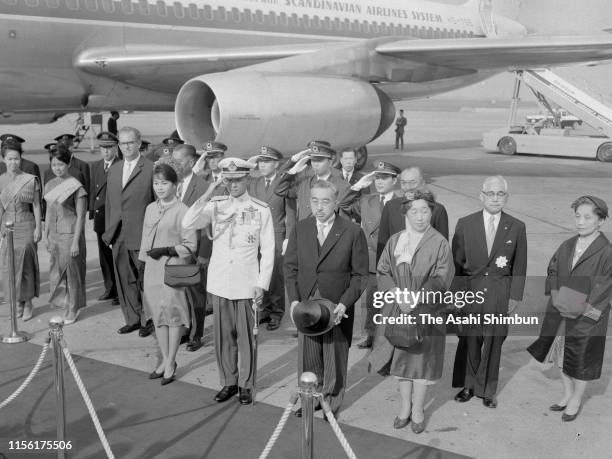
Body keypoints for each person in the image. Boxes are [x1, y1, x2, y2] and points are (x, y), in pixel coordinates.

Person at [182, 157, 275, 405]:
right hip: (221, 282)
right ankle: (228, 382)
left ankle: (246, 384)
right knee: (224, 339)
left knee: (247, 338)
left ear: (246, 179)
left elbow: (268, 250)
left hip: (246, 283)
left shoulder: (260, 209)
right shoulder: (216, 205)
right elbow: (187, 222)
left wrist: (261, 284)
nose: (233, 185)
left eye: (237, 180)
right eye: (229, 180)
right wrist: (209, 191)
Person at [370, 189, 454, 433]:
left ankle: (418, 409)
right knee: (401, 364)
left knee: (421, 365)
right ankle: (405, 407)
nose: (420, 216)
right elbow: (382, 271)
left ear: (431, 212)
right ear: (406, 212)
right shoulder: (396, 240)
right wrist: (397, 293)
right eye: (414, 210)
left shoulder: (439, 242)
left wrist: (416, 297)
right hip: (398, 308)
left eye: (425, 210)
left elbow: (442, 277)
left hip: (425, 311)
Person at [284, 180, 368, 418]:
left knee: (335, 355)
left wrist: (344, 303)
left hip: (336, 304)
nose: (319, 207)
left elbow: (360, 275)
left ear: (336, 202)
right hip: (307, 304)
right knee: (308, 355)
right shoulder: (301, 228)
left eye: (325, 201)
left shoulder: (352, 231)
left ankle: (331, 401)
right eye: (314, 201)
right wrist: (293, 301)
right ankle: (310, 398)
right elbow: (290, 268)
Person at [527, 196, 612, 422]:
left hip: (586, 315)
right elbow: (553, 269)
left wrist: (580, 306)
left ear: (600, 220)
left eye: (587, 217)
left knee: (581, 358)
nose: (581, 222)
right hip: (561, 309)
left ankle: (576, 398)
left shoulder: (606, 251)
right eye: (577, 216)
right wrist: (555, 293)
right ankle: (566, 394)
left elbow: (604, 285)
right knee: (562, 355)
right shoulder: (567, 245)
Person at [451, 176, 527, 408]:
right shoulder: (465, 223)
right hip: (472, 292)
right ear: (481, 196)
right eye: (491, 193)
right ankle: (469, 385)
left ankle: (487, 389)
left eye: (500, 194)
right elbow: (457, 263)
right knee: (471, 339)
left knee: (494, 341)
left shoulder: (516, 226)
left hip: (499, 292)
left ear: (506, 197)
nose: (495, 198)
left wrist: (514, 297)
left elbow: (520, 265)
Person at [139, 162, 197, 385]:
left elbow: (190, 245)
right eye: (156, 183)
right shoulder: (150, 208)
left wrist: (169, 250)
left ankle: (171, 361)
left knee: (173, 315)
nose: (159, 187)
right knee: (157, 316)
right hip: (152, 268)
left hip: (174, 267)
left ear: (175, 185)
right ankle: (163, 360)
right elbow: (145, 237)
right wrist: (142, 261)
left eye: (164, 183)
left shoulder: (183, 211)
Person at [339, 161, 403, 349]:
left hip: (395, 261)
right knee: (371, 301)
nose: (379, 182)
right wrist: (358, 186)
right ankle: (370, 334)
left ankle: (392, 335)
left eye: (384, 178)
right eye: (377, 178)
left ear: (394, 180)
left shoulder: (403, 203)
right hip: (372, 261)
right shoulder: (367, 201)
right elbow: (342, 204)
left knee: (393, 302)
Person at [103, 127, 155, 336]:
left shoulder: (150, 168)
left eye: (130, 142)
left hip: (141, 233)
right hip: (118, 233)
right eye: (123, 143)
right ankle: (132, 318)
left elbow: (155, 203)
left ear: (139, 142)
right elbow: (110, 203)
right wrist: (109, 232)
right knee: (124, 279)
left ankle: (148, 320)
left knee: (145, 279)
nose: (126, 147)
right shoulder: (115, 169)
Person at [248, 146, 295, 330]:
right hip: (256, 233)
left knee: (275, 274)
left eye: (267, 161)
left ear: (276, 164)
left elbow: (290, 213)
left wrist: (288, 238)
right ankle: (263, 309)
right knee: (259, 271)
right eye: (260, 161)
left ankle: (276, 311)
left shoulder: (284, 182)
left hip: (276, 232)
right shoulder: (255, 183)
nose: (262, 165)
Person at [172, 144, 211, 351]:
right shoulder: (171, 184)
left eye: (178, 162)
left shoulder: (203, 187)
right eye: (173, 161)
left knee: (196, 294)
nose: (175, 165)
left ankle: (196, 334)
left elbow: (207, 224)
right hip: (176, 249)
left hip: (195, 251)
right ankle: (185, 328)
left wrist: (204, 253)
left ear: (190, 162)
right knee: (179, 292)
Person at [43, 144, 87, 324]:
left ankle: (74, 307)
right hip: (54, 234)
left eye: (61, 164)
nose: (57, 168)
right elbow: (48, 212)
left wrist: (76, 242)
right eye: (54, 165)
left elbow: (81, 216)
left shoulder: (76, 186)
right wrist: (46, 235)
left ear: (68, 163)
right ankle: (66, 303)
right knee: (58, 271)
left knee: (72, 273)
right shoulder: (49, 184)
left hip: (70, 235)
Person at [0, 139, 42, 321]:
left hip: (26, 223)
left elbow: (37, 205)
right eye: (9, 159)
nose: (13, 163)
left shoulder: (29, 179)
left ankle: (28, 301)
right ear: (3, 159)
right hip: (8, 226)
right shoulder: (0, 180)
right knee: (10, 266)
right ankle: (17, 301)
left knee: (25, 264)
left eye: (16, 159)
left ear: (21, 159)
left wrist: (39, 227)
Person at [377, 167, 449, 262]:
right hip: (396, 270)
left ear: (423, 183)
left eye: (412, 182)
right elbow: (383, 244)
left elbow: (443, 249)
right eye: (403, 183)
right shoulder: (390, 207)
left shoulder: (437, 209)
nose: (408, 187)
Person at [275, 141, 352, 222]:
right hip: (304, 232)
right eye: (313, 160)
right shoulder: (304, 183)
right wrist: (292, 169)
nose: (315, 164)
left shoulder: (343, 186)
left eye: (319, 160)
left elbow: (344, 220)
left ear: (330, 162)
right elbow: (279, 190)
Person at [89, 132, 120, 305]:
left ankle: (120, 291)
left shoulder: (121, 165)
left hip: (114, 218)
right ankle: (109, 288)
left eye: (109, 148)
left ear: (115, 148)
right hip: (101, 218)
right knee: (104, 258)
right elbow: (94, 190)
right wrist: (92, 212)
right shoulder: (95, 166)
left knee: (117, 257)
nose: (106, 151)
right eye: (103, 148)